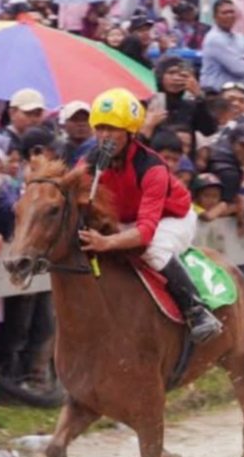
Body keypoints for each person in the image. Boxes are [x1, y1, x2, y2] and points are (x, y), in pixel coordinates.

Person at [78, 87, 223, 344]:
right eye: (100, 128)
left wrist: (107, 242)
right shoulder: (90, 161)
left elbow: (145, 232)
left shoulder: (152, 166)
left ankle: (197, 311)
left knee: (152, 249)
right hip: (128, 218)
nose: (104, 136)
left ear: (129, 132)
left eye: (112, 129)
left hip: (172, 217)